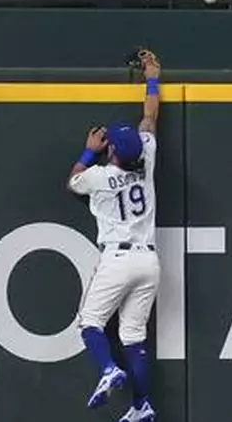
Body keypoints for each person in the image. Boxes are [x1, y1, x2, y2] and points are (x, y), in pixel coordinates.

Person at [68, 49, 163, 422]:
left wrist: (88, 151)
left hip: (118, 258)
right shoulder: (148, 157)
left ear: (112, 153)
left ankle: (108, 369)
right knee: (133, 337)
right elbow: (150, 117)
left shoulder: (100, 176)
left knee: (89, 322)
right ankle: (141, 405)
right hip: (148, 260)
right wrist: (152, 78)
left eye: (109, 145)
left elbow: (73, 180)